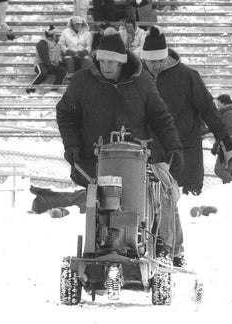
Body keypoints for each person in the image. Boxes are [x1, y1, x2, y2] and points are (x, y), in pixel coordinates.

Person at [56, 29, 186, 265]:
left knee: (155, 197)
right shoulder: (83, 81)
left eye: (112, 62)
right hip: (95, 159)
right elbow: (64, 113)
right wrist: (72, 144)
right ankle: (102, 247)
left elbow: (161, 117)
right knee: (104, 207)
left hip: (137, 157)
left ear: (122, 61)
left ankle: (165, 246)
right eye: (102, 60)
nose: (106, 66)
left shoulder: (142, 81)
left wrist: (174, 147)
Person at [141, 26, 232, 195]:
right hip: (151, 149)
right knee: (151, 204)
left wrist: (225, 140)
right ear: (144, 59)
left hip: (186, 149)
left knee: (188, 201)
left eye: (160, 61)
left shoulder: (186, 76)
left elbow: (208, 108)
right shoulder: (139, 78)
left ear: (166, 56)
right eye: (152, 62)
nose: (156, 66)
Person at [26, 26, 67, 94]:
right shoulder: (43, 42)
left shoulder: (57, 44)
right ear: (51, 35)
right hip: (41, 63)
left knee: (62, 71)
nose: (58, 37)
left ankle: (54, 90)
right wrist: (49, 65)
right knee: (43, 73)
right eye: (57, 36)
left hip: (52, 64)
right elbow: (44, 55)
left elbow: (58, 55)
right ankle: (31, 88)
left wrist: (60, 63)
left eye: (59, 36)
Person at [213, 94, 232, 184]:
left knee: (219, 169)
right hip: (227, 145)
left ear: (224, 103)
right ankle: (228, 189)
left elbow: (228, 132)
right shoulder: (227, 113)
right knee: (226, 170)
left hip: (229, 146)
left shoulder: (230, 114)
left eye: (218, 103)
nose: (217, 105)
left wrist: (218, 143)